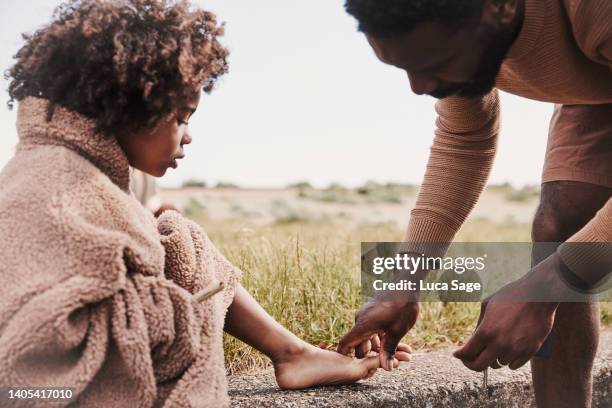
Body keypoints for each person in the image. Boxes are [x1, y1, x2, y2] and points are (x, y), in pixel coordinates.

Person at [0, 1, 410, 407]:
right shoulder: (64, 185)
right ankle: (293, 354)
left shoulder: (64, 168)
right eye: (182, 117)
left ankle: (293, 353)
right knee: (180, 241)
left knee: (180, 237)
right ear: (127, 107)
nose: (189, 136)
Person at [339, 1, 612, 407]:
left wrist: (553, 283)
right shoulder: (458, 28)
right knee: (561, 226)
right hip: (597, 77)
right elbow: (464, 142)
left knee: (561, 271)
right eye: (404, 67)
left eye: (437, 61)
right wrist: (404, 280)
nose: (419, 86)